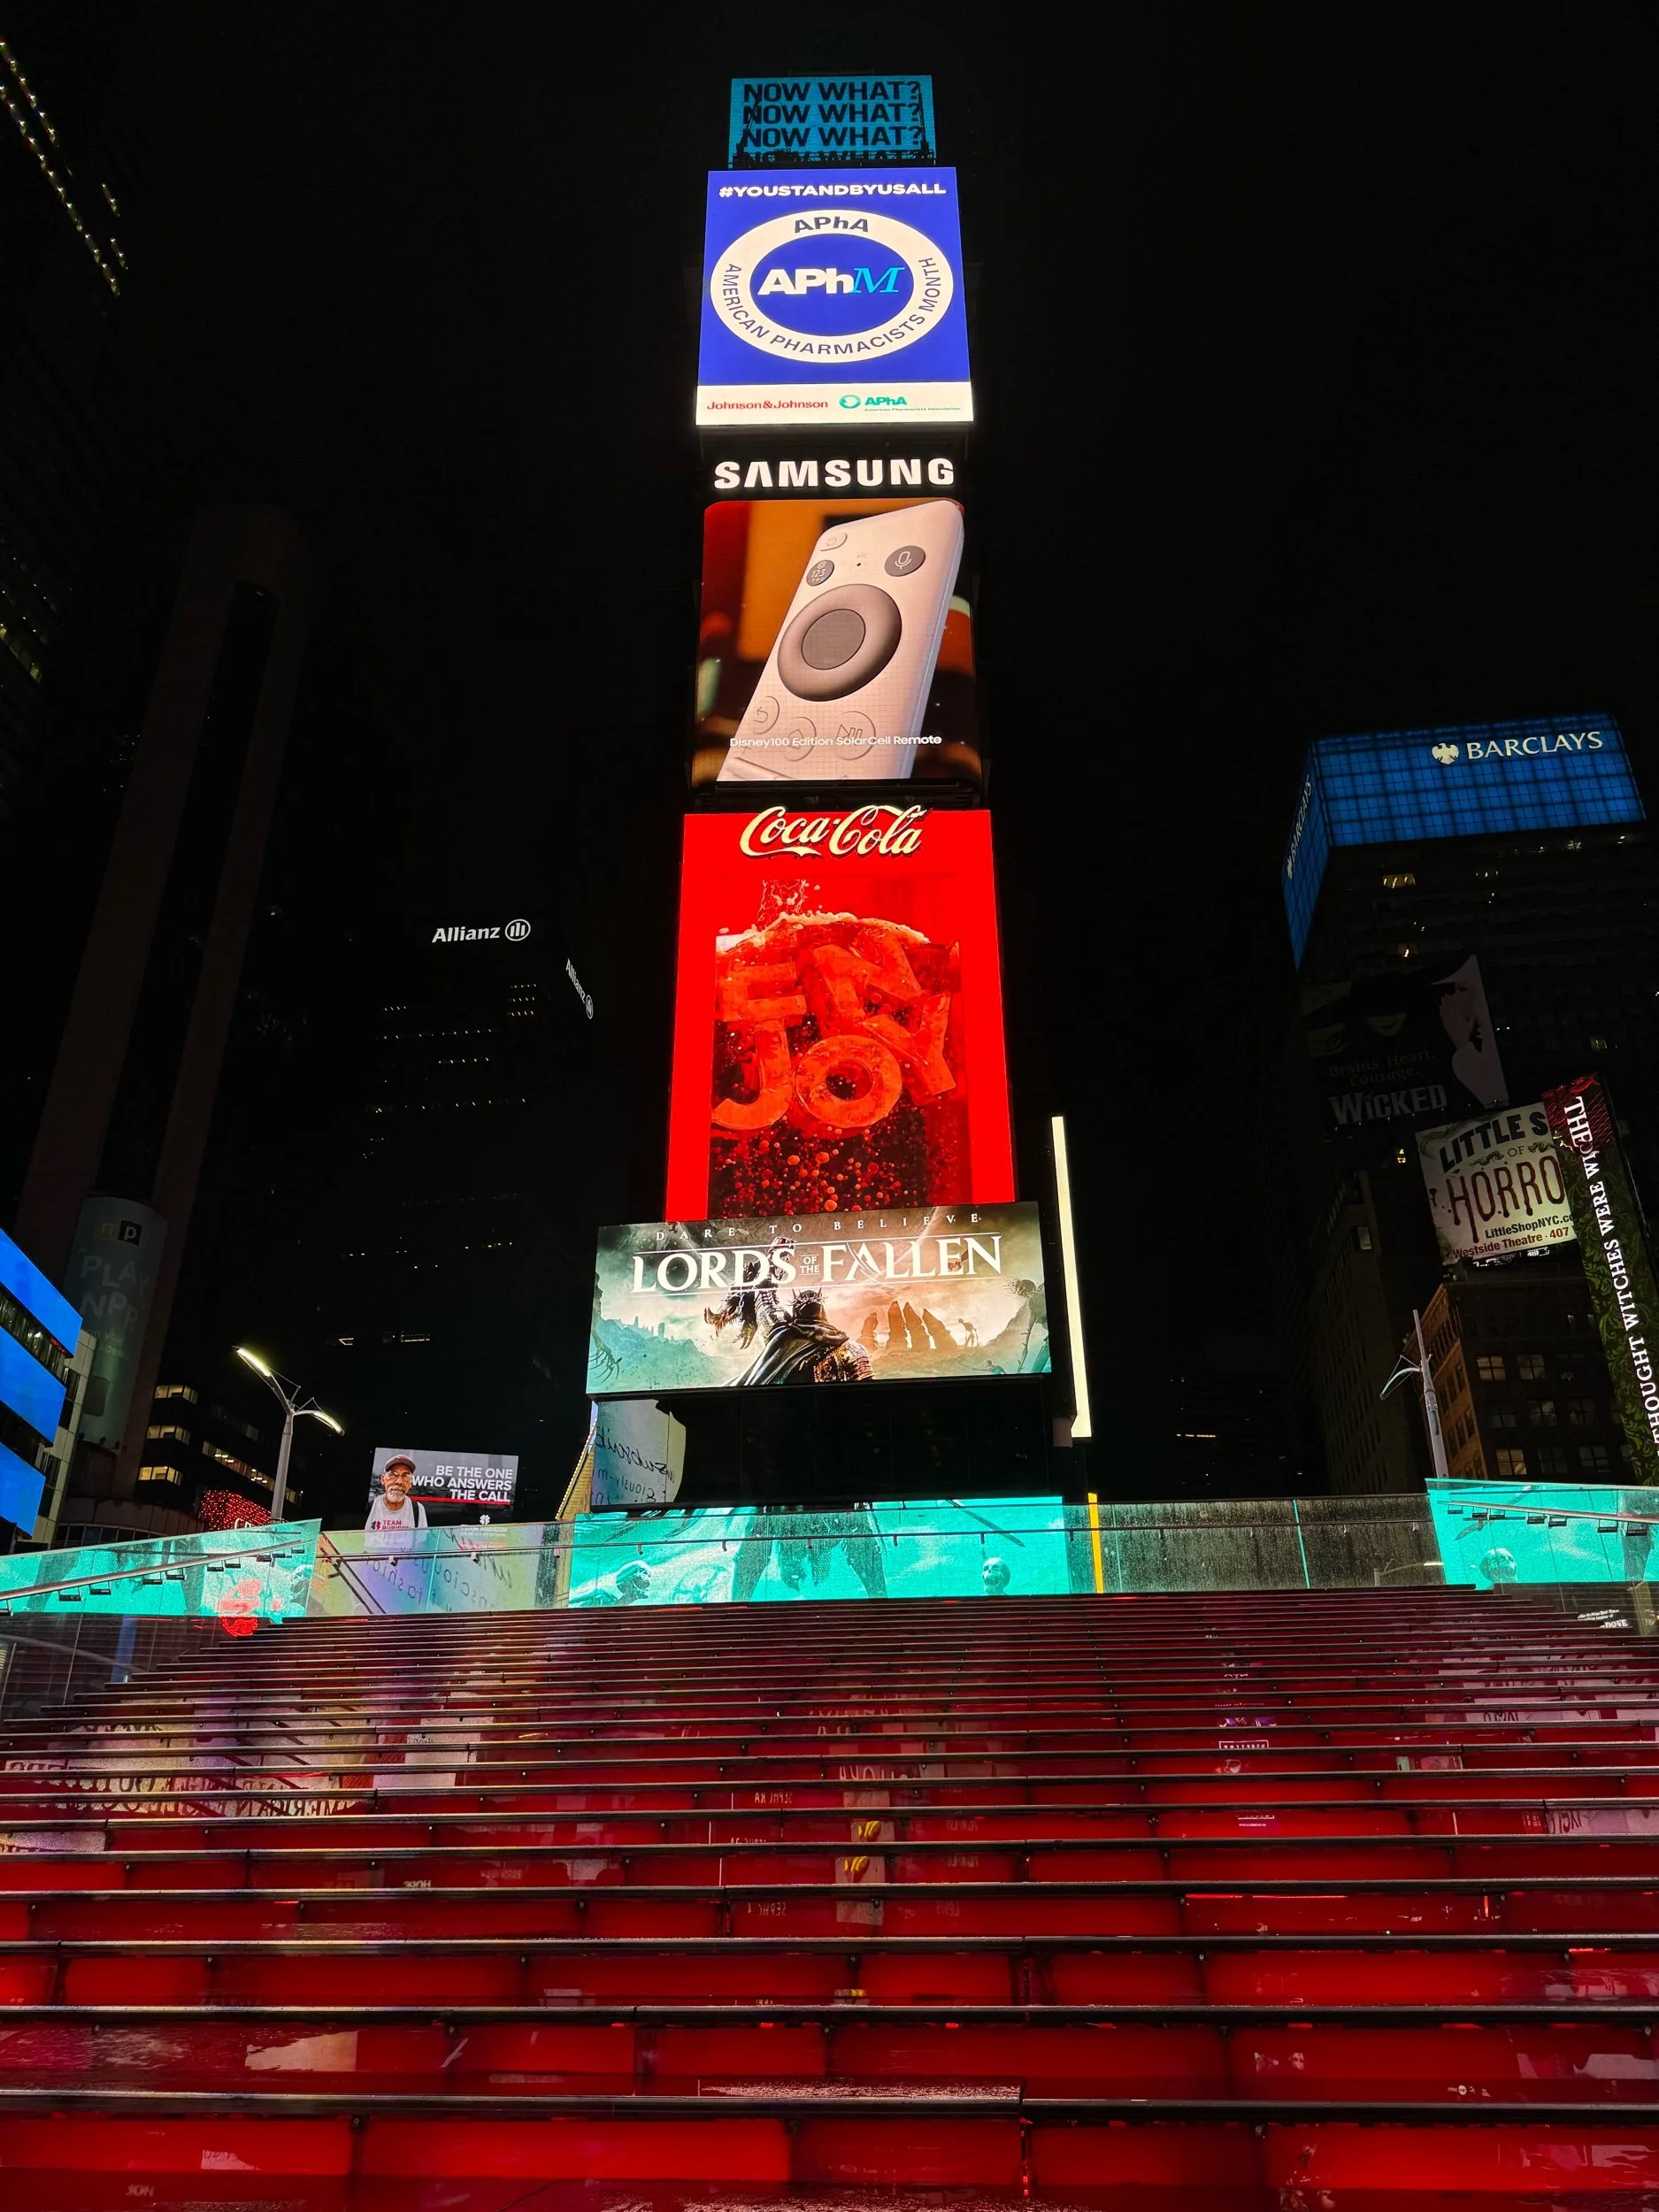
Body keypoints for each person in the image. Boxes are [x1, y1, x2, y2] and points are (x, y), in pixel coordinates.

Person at [366, 1456, 428, 1536]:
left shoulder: (418, 1510)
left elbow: (421, 1544)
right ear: (383, 1479)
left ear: (411, 1483)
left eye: (405, 1476)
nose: (399, 1481)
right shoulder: (369, 1507)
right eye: (393, 1475)